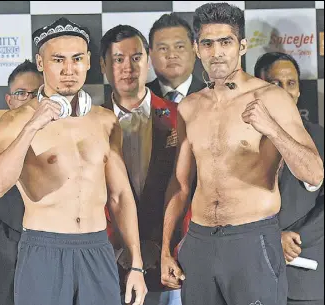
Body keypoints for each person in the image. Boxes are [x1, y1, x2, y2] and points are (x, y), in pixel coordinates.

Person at [160, 3, 324, 305]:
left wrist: (272, 128)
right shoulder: (190, 107)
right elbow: (180, 185)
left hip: (252, 240)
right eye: (208, 43)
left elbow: (314, 173)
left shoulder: (271, 98)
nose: (216, 52)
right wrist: (166, 250)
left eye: (226, 42)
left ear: (242, 46)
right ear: (197, 48)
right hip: (199, 242)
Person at [0, 17, 147, 305]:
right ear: (41, 63)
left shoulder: (105, 121)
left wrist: (136, 265)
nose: (69, 70)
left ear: (88, 63)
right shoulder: (15, 122)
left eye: (77, 59)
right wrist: (32, 127)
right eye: (58, 59)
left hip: (96, 248)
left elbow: (120, 196)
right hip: (43, 249)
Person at [100, 25, 180, 305]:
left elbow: (190, 188)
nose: (128, 67)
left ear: (148, 60)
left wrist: (169, 246)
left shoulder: (178, 116)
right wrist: (119, 246)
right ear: (103, 66)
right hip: (107, 262)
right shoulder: (88, 123)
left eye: (136, 58)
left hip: (170, 261)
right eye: (118, 59)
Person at [255, 52, 324, 305]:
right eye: (275, 84)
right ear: (258, 87)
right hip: (252, 272)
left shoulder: (321, 138)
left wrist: (293, 238)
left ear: (298, 91)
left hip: (306, 274)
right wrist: (272, 237)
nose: (284, 91)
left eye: (290, 83)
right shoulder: (241, 140)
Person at [0, 60, 43, 305]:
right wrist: (15, 247)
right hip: (7, 277)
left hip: (59, 269)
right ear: (9, 101)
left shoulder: (65, 150)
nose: (28, 99)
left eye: (36, 93)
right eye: (20, 93)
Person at [147, 13, 205, 103]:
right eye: (163, 48)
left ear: (194, 49)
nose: (172, 55)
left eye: (180, 47)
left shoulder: (213, 96)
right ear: (150, 54)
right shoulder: (139, 98)